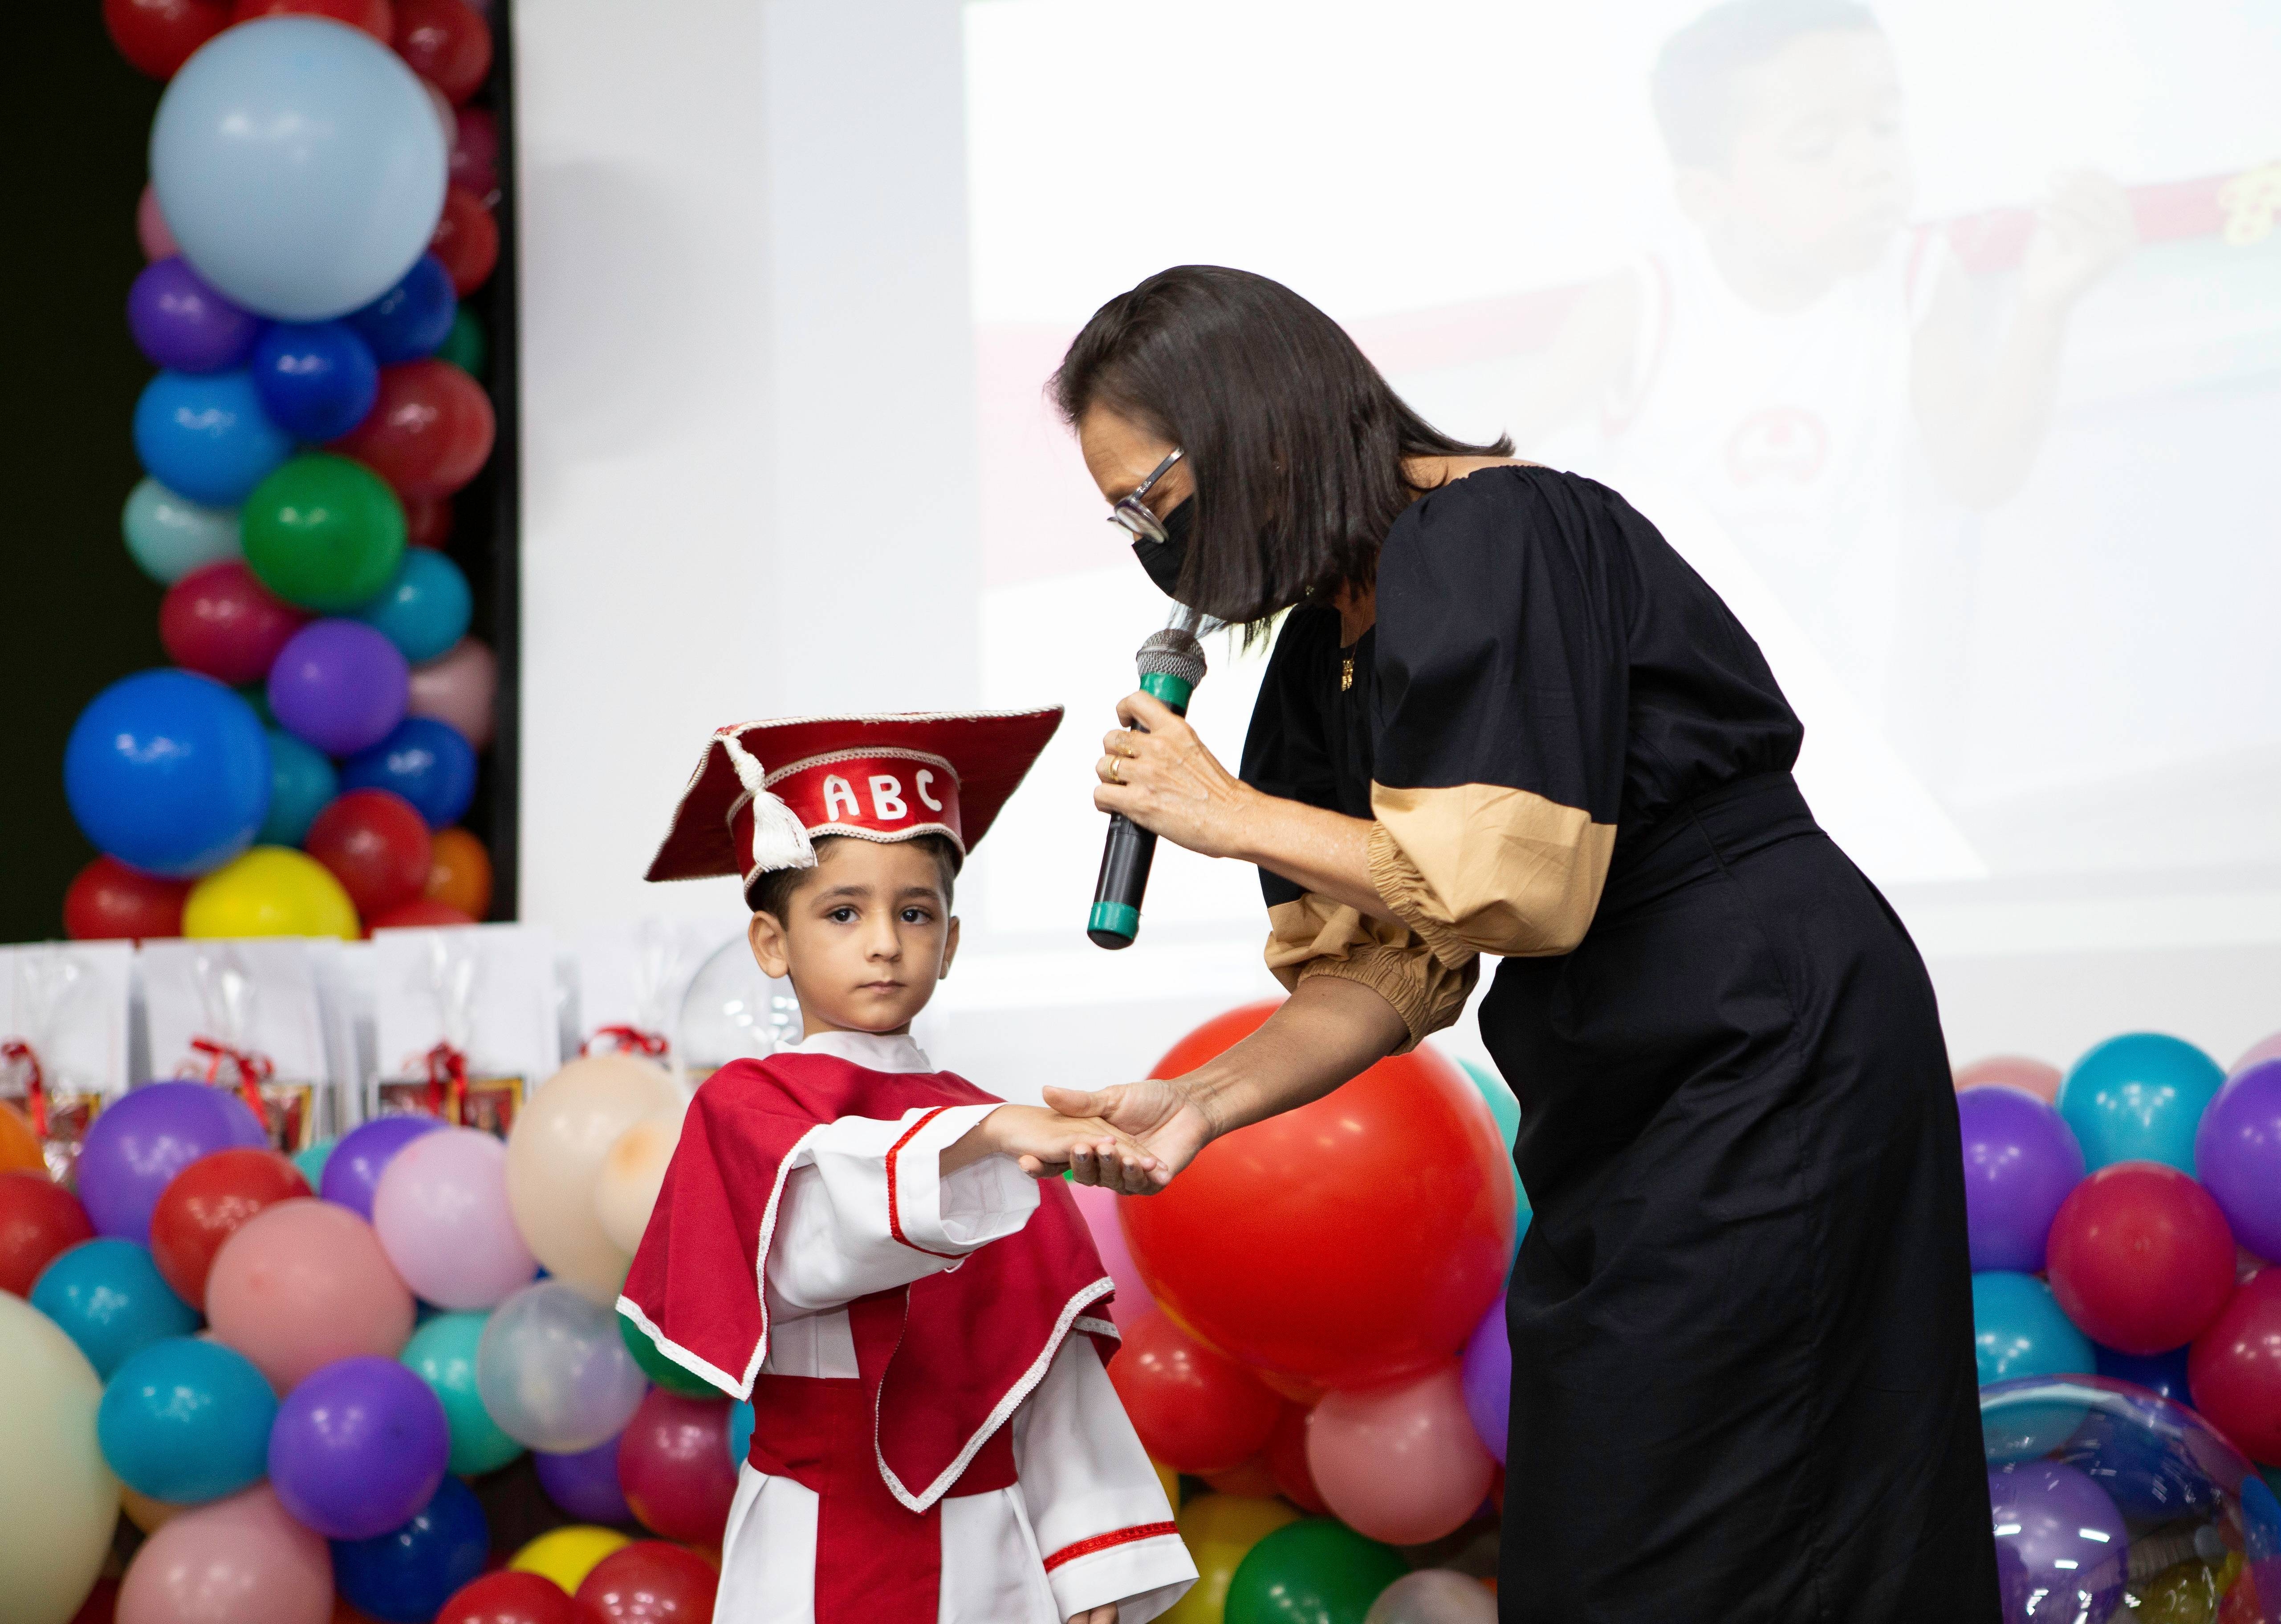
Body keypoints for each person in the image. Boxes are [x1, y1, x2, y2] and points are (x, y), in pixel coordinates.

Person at [1043, 266, 2000, 1621]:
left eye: (1155, 497)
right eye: (1126, 517)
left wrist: (1230, 814)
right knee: (1598, 1511)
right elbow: (1388, 962)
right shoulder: (1323, 652)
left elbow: (1515, 883)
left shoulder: (1495, 528)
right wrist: (1200, 1102)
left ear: (1254, 426)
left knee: (1750, 1518)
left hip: (1761, 1029)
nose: (1153, 543)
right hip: (1612, 1076)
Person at [618, 710, 1196, 1624]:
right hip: (809, 1535)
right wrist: (988, 1135)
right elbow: (818, 1244)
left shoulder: (993, 1130)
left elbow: (1043, 1368)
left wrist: (1089, 1562)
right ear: (772, 943)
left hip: (988, 1549)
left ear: (950, 943)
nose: (884, 942)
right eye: (843, 912)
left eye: (915, 913)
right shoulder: (747, 1108)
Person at [1517, 0, 2132, 725]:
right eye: (1815, 146)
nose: (1872, 165)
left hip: (1836, 691)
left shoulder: (1918, 278)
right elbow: (1486, 460)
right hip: (1661, 690)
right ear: (1709, 196)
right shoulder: (1645, 304)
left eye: (1885, 126)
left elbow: (1978, 476)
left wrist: (2042, 309)